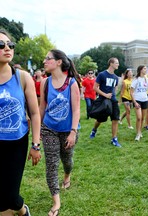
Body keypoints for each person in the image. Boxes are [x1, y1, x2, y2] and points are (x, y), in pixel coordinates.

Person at [0, 29, 41, 216]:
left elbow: (34, 112)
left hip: (16, 142)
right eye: (1, 45)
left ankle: (22, 209)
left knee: (10, 194)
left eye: (10, 44)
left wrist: (36, 145)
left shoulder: (22, 77)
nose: (7, 48)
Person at [39, 49, 81, 216]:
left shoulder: (72, 83)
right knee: (51, 164)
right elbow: (42, 107)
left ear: (58, 62)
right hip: (49, 128)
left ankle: (67, 175)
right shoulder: (45, 82)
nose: (44, 61)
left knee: (67, 160)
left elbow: (77, 110)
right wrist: (38, 130)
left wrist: (73, 132)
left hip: (68, 130)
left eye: (47, 58)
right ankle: (56, 200)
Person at [89, 57, 122, 147]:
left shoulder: (116, 77)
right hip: (103, 100)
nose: (118, 64)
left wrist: (114, 97)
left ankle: (114, 139)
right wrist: (105, 95)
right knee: (100, 119)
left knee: (115, 119)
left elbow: (114, 89)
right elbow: (95, 88)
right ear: (111, 63)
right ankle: (94, 130)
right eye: (116, 63)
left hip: (113, 100)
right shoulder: (102, 74)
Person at [130, 65, 148, 141]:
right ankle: (138, 134)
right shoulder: (136, 79)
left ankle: (140, 131)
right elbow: (131, 92)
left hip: (145, 100)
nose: (146, 70)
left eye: (146, 69)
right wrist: (134, 102)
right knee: (139, 118)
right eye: (144, 69)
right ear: (140, 70)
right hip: (137, 100)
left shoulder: (147, 79)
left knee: (142, 118)